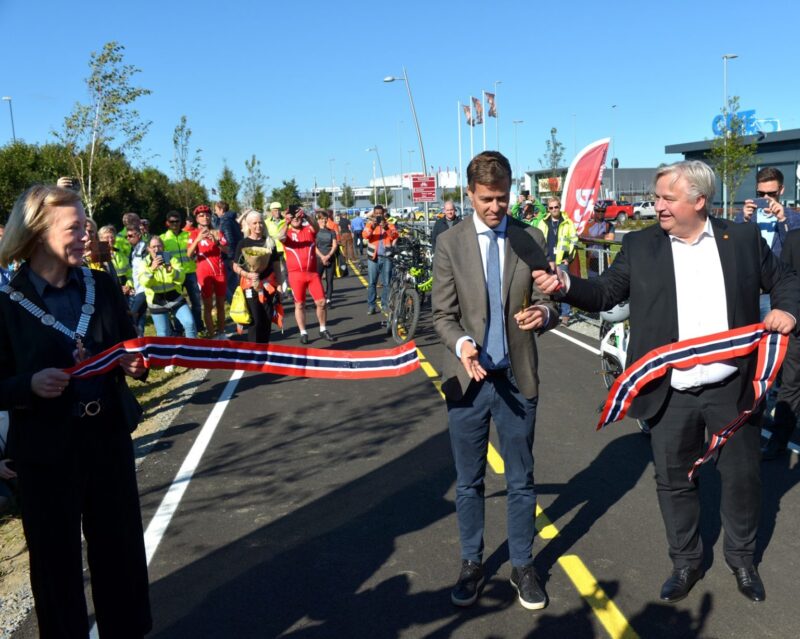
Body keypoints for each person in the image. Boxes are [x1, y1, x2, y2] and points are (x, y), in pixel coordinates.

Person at [533, 160, 800, 604]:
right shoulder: (640, 246)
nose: (656, 206)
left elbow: (786, 279)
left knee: (742, 478)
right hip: (670, 392)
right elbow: (604, 293)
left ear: (699, 200)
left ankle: (742, 558)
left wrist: (787, 309)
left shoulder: (744, 241)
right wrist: (564, 284)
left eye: (666, 198)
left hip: (732, 387)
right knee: (674, 480)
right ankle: (686, 561)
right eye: (656, 197)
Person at [0, 184, 151, 636]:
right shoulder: (6, 303)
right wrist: (28, 384)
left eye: (87, 225)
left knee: (119, 553)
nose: (88, 235)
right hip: (45, 453)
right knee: (55, 564)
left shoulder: (101, 285)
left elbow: (129, 343)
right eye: (75, 227)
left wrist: (136, 363)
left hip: (106, 439)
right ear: (38, 233)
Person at [433, 151, 559, 611]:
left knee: (522, 478)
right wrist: (463, 345)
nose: (495, 207)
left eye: (502, 198)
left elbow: (553, 300)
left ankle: (523, 565)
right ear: (469, 194)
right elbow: (441, 316)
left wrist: (544, 313)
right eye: (486, 199)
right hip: (467, 383)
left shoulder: (530, 237)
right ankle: (472, 562)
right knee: (469, 481)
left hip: (516, 378)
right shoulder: (450, 243)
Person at [736, 167, 800, 318]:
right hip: (750, 288)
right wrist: (744, 221)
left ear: (781, 190)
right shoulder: (745, 216)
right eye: (761, 194)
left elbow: (795, 251)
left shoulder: (794, 218)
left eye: (771, 194)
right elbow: (736, 249)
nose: (766, 198)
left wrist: (783, 221)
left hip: (778, 290)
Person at [762, 227, 800, 460]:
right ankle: (778, 442)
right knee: (791, 386)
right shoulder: (795, 238)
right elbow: (785, 283)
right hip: (797, 328)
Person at [279, 206, 335, 344]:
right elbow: (280, 237)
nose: (296, 219)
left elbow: (316, 226)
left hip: (312, 274)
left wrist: (306, 216)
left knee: (321, 302)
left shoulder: (308, 230)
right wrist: (286, 221)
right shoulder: (288, 232)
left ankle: (323, 329)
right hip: (296, 275)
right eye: (293, 217)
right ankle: (303, 332)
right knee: (299, 305)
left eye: (298, 217)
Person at [232, 210, 281, 344]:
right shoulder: (243, 243)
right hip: (249, 287)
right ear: (248, 225)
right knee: (255, 320)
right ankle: (254, 352)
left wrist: (281, 284)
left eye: (260, 222)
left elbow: (276, 265)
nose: (258, 226)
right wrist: (248, 274)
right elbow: (236, 266)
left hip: (268, 286)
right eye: (254, 223)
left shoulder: (270, 242)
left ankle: (264, 350)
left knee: (267, 318)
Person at [139, 235, 197, 339]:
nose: (157, 249)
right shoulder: (144, 263)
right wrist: (152, 269)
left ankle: (192, 350)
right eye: (153, 247)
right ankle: (166, 354)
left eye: (159, 246)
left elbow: (181, 278)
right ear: (149, 249)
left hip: (174, 296)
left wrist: (171, 271)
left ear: (163, 247)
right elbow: (144, 283)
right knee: (163, 334)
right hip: (157, 301)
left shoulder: (172, 259)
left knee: (190, 323)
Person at [188, 204, 229, 339]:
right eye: (201, 215)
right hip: (204, 274)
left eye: (207, 215)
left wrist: (217, 242)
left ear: (211, 217)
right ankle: (212, 335)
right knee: (208, 306)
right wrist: (198, 240)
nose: (205, 217)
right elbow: (188, 254)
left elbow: (228, 251)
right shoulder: (193, 234)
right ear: (197, 219)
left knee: (221, 305)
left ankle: (222, 333)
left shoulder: (218, 232)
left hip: (219, 272)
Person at [534, 196, 577, 324]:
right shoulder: (543, 222)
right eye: (551, 208)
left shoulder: (568, 223)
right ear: (548, 209)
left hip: (561, 260)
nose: (554, 210)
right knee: (547, 288)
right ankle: (552, 312)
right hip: (547, 260)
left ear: (560, 207)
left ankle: (565, 315)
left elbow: (574, 241)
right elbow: (538, 241)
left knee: (563, 287)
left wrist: (568, 259)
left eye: (556, 207)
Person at [161, 210, 204, 334]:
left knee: (196, 302)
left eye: (177, 221)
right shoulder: (163, 238)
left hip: (190, 272)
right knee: (176, 303)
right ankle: (179, 330)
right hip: (176, 275)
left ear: (181, 222)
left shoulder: (188, 235)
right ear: (167, 223)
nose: (175, 224)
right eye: (172, 222)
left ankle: (198, 327)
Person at [363, 205, 399, 315]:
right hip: (372, 258)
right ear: (374, 214)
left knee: (386, 283)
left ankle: (385, 305)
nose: (378, 215)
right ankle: (371, 305)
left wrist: (386, 228)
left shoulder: (389, 224)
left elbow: (395, 235)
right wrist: (373, 227)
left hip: (386, 257)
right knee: (371, 283)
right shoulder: (370, 224)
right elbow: (364, 235)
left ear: (384, 213)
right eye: (376, 213)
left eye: (380, 213)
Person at [217, 200, 244, 303]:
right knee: (236, 283)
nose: (216, 213)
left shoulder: (225, 221)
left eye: (216, 210)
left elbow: (229, 240)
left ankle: (237, 306)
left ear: (221, 209)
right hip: (238, 254)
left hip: (231, 257)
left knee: (229, 285)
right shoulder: (232, 220)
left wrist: (230, 257)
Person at [126, 225, 148, 337]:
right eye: (127, 236)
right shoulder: (134, 250)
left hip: (145, 288)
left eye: (130, 236)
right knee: (140, 317)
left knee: (132, 314)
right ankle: (140, 340)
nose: (128, 238)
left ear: (139, 235)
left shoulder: (145, 248)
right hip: (138, 288)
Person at [315, 210, 339, 306]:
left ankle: (329, 299)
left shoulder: (331, 231)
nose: (324, 221)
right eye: (322, 219)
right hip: (318, 258)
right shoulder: (315, 231)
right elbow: (314, 246)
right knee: (317, 279)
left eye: (325, 219)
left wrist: (328, 256)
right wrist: (322, 257)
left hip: (330, 257)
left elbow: (334, 245)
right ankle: (319, 297)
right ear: (318, 219)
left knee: (329, 280)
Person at [265, 202, 288, 292]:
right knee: (276, 271)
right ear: (271, 212)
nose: (277, 212)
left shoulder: (286, 221)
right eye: (275, 210)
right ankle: (278, 289)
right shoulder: (267, 222)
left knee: (285, 270)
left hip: (284, 249)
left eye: (279, 210)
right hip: (273, 249)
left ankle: (285, 289)